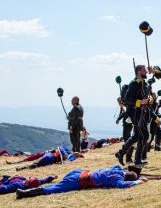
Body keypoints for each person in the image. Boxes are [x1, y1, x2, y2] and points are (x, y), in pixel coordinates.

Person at [15, 165, 148, 199]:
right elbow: (123, 185)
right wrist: (138, 181)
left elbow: (126, 169)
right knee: (53, 189)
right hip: (80, 180)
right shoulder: (117, 179)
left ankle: (27, 190)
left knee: (55, 186)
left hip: (79, 172)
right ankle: (24, 193)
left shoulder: (117, 169)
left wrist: (137, 174)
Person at [115, 65, 152, 166]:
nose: (146, 72)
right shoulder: (133, 84)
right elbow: (127, 99)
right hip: (135, 113)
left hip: (142, 113)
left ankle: (121, 153)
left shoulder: (144, 83)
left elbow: (145, 96)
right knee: (142, 135)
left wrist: (149, 99)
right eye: (144, 70)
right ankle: (137, 159)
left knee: (138, 136)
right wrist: (140, 102)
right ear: (139, 71)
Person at [16, 147, 83, 171]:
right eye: (78, 153)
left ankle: (23, 168)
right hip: (50, 155)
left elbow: (67, 161)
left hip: (52, 160)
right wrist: (64, 154)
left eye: (78, 154)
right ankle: (22, 167)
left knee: (37, 165)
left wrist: (65, 160)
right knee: (37, 162)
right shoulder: (68, 151)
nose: (77, 153)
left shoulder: (72, 157)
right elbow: (61, 147)